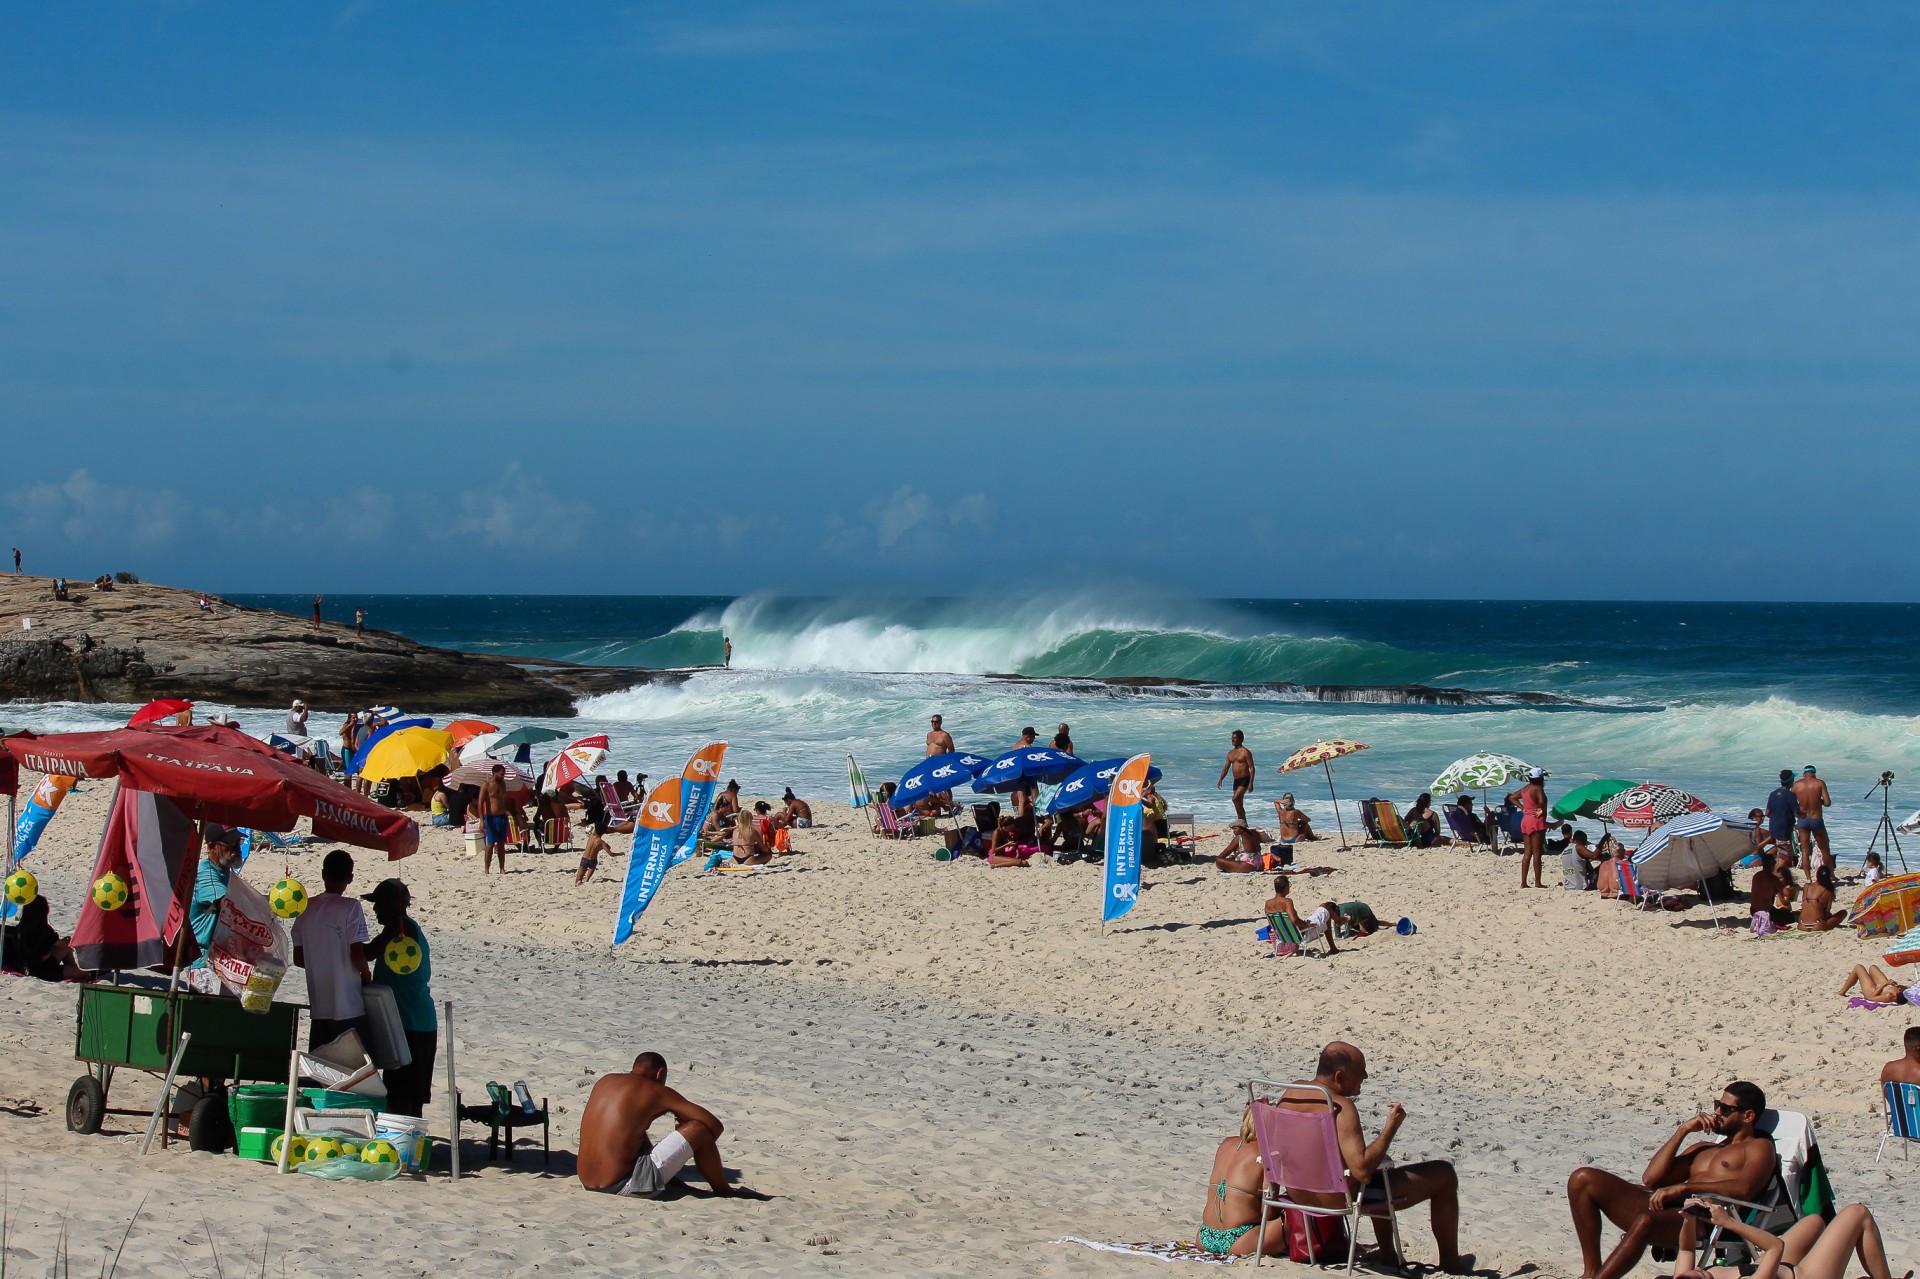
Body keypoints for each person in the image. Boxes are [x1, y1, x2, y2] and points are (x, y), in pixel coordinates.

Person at [1276, 1043, 1468, 1272]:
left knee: (1380, 1166)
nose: (1365, 1076)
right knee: (1444, 1174)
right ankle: (1452, 1265)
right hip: (1337, 1198)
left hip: (1298, 1193)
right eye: (1361, 1071)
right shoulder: (1340, 1108)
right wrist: (1391, 1128)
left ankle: (1388, 1255)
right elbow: (1362, 1173)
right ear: (1339, 1076)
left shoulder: (1291, 1094)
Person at [1565, 1081, 1775, 1279]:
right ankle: (1591, 1272)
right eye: (1717, 1105)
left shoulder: (1759, 1147)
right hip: (1669, 1206)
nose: (1717, 1113)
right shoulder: (1703, 1148)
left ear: (1747, 1116)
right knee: (1582, 1179)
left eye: (1725, 1109)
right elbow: (1651, 1179)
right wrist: (1683, 1131)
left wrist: (1683, 1188)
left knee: (1646, 1220)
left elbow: (1745, 1188)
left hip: (1703, 1218)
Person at [578, 1051, 743, 1198]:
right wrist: (685, 1128)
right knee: (699, 1130)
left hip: (587, 1182)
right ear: (660, 1073)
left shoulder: (605, 1081)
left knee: (634, 1130)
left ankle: (669, 1180)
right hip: (621, 1185)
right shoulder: (654, 1090)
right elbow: (714, 1125)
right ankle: (725, 1192)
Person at [1673, 1197, 1904, 1279]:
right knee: (1857, 1213)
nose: (1699, 1272)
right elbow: (1775, 1246)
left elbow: (1686, 1250)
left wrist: (1688, 1218)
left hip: (1775, 1267)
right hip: (1804, 1276)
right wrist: (1728, 1222)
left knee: (1814, 1221)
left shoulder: (1684, 1278)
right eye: (1700, 1277)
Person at [366, 878, 436, 1117]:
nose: (374, 909)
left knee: (403, 1096)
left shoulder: (399, 927)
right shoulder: (404, 926)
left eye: (378, 903)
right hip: (414, 1021)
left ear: (394, 903)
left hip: (413, 1023)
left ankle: (406, 1147)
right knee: (405, 1093)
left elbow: (367, 953)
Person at [291, 851, 373, 1050]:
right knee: (353, 1070)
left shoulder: (305, 908)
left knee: (322, 1070)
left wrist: (320, 961)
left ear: (323, 874)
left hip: (319, 1004)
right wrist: (366, 974)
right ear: (350, 878)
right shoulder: (351, 907)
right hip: (348, 1004)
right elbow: (356, 954)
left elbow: (299, 959)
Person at [1197, 1107, 1271, 1256]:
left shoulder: (1225, 1144)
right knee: (1291, 1220)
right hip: (1239, 1239)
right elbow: (1267, 1209)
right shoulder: (1266, 1152)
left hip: (1204, 1236)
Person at [187, 824, 245, 959]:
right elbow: (227, 904)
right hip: (203, 958)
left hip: (221, 956)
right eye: (230, 844)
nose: (237, 849)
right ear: (212, 847)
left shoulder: (227, 873)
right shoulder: (206, 872)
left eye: (238, 843)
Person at [0, 894, 77, 981]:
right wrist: (66, 942)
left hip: (26, 967)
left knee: (65, 948)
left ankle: (72, 968)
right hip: (44, 970)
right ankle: (74, 968)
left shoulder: (20, 928)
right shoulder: (45, 931)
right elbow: (54, 948)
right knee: (67, 949)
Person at [1265, 876, 1340, 954]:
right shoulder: (1287, 902)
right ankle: (1333, 948)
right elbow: (1294, 920)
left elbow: (1271, 924)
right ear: (1286, 887)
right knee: (1325, 910)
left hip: (1284, 936)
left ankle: (1339, 922)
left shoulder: (1268, 903)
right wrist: (1307, 925)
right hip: (1300, 936)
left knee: (1322, 914)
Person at [1507, 768, 1550, 888]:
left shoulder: (1526, 788)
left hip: (1525, 820)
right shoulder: (1538, 788)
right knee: (1537, 853)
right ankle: (1537, 882)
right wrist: (1542, 809)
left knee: (1527, 853)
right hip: (1535, 820)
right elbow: (1542, 801)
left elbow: (1512, 797)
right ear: (1541, 778)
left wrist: (1522, 807)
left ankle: (1523, 882)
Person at [477, 763, 519, 876]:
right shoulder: (486, 785)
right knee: (490, 844)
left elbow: (503, 800)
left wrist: (510, 811)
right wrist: (481, 820)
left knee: (501, 844)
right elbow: (480, 803)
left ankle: (502, 868)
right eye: (501, 774)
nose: (503, 776)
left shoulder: (503, 784)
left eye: (504, 774)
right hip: (491, 817)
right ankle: (487, 869)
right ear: (494, 773)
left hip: (502, 816)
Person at [1793, 766, 1834, 873]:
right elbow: (1827, 803)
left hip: (1803, 819)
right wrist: (1818, 801)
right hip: (1816, 819)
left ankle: (1808, 878)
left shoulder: (1796, 785)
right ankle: (1830, 875)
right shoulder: (1819, 783)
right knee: (1825, 849)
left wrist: (1797, 813)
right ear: (1814, 773)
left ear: (1804, 774)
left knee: (1805, 851)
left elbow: (1791, 804)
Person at [576, 784, 612, 885]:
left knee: (581, 871)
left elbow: (589, 829)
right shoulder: (601, 842)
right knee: (592, 867)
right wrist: (618, 854)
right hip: (592, 860)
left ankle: (578, 881)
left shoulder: (591, 836)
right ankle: (587, 880)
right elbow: (610, 853)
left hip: (584, 859)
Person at [1217, 730, 1254, 823]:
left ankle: (1241, 821)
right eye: (1232, 738)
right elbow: (1226, 768)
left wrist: (1251, 783)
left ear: (1241, 739)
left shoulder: (1245, 752)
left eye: (1234, 738)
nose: (1232, 740)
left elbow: (1252, 768)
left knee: (1235, 799)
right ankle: (1243, 822)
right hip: (1236, 781)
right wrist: (1221, 779)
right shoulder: (1230, 753)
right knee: (1239, 803)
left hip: (1245, 779)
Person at [1838, 964, 1917, 1005]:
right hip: (1880, 988)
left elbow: (1870, 997)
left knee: (1858, 967)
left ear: (1899, 991)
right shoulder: (1897, 991)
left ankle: (1842, 992)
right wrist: (1889, 984)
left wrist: (1885, 984)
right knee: (1873, 967)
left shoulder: (1889, 996)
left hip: (1872, 991)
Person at [1764, 770, 1799, 863]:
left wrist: (1777, 817)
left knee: (1781, 853)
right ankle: (1776, 874)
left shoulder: (1773, 793)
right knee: (1785, 858)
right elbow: (1797, 813)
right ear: (1791, 781)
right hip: (1784, 830)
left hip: (1773, 829)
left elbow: (1767, 813)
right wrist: (1805, 815)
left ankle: (1777, 873)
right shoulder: (1790, 795)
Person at [1798, 864, 1845, 931]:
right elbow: (1827, 912)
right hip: (1817, 925)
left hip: (1801, 925)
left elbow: (1803, 904)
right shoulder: (1828, 891)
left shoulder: (1806, 886)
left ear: (1817, 875)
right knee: (1843, 913)